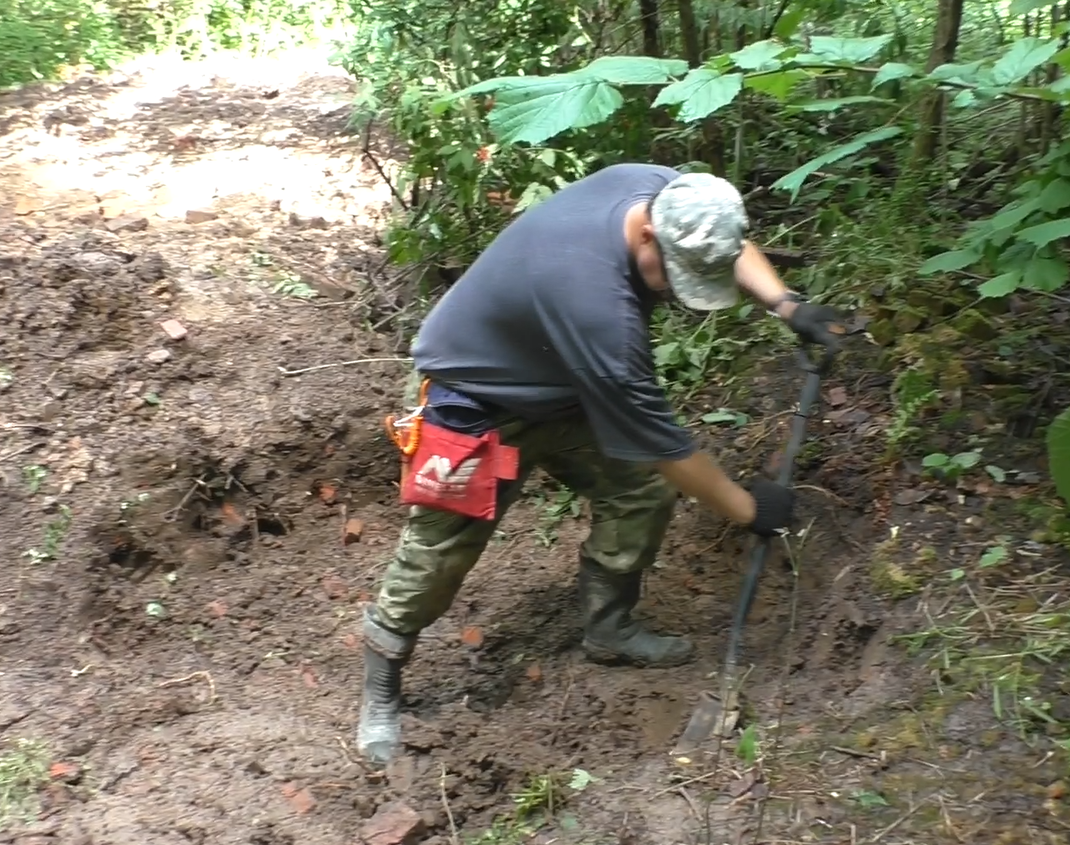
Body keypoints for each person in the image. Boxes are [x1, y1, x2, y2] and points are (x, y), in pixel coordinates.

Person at [357, 163, 842, 764]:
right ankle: (383, 683)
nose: (670, 290)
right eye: (670, 272)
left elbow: (725, 240)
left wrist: (786, 304)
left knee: (639, 492)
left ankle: (608, 627)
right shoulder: (600, 309)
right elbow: (662, 443)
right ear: (646, 236)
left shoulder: (666, 192)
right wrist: (748, 508)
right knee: (440, 549)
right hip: (472, 397)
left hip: (564, 386)